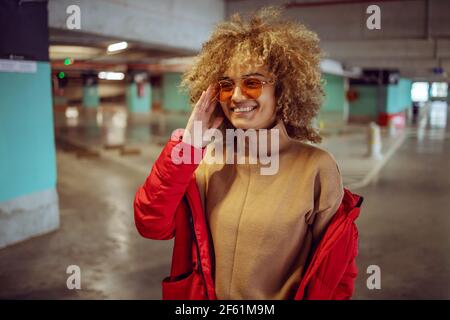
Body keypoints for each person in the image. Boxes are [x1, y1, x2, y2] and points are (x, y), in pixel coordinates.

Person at [134, 7, 363, 300]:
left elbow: (337, 270)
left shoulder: (317, 167)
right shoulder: (205, 163)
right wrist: (189, 147)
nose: (238, 96)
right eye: (227, 86)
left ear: (281, 92)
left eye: (252, 83)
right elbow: (150, 224)